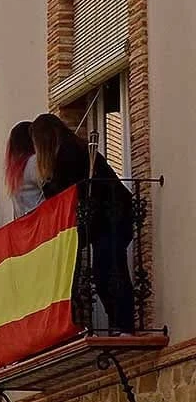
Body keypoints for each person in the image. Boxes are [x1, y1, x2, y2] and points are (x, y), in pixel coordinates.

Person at [31, 112, 134, 333]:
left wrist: (47, 187)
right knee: (106, 271)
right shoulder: (73, 149)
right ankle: (120, 324)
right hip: (110, 217)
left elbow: (66, 192)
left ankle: (123, 324)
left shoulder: (68, 153)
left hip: (111, 217)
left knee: (109, 271)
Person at [5, 120, 45, 218]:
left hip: (27, 226)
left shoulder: (15, 171)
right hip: (42, 221)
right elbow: (49, 189)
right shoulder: (34, 162)